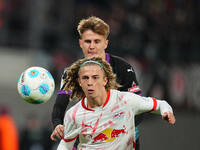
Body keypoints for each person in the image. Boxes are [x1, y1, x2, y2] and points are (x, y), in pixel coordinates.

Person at [51, 16, 142, 149]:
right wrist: (57, 124)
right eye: (88, 41)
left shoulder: (123, 68)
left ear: (105, 43)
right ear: (80, 43)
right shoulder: (71, 72)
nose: (92, 46)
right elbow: (59, 106)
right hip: (87, 141)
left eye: (97, 41)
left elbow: (140, 108)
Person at [57, 56, 176, 150]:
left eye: (95, 77)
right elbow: (65, 145)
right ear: (79, 82)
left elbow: (160, 104)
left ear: (105, 80)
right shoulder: (73, 114)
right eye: (85, 78)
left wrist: (166, 112)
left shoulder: (125, 101)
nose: (90, 82)